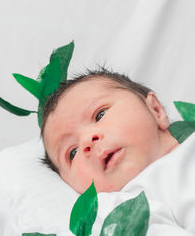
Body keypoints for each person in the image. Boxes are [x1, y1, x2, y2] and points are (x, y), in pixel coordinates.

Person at [41, 67, 179, 194]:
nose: (86, 141)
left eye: (100, 115)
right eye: (72, 153)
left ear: (156, 110)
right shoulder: (118, 209)